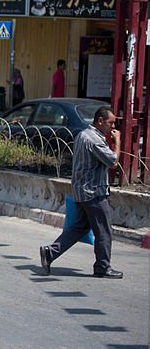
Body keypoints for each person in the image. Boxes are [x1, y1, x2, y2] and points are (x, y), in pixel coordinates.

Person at [40, 106, 122, 279]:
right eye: (111, 122)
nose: (113, 126)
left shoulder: (83, 135)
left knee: (79, 227)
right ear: (100, 121)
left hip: (81, 191)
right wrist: (117, 141)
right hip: (94, 192)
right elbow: (113, 162)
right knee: (104, 231)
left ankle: (50, 253)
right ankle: (103, 267)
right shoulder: (94, 139)